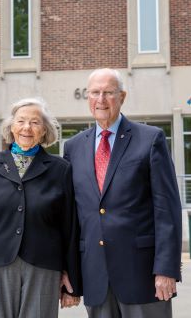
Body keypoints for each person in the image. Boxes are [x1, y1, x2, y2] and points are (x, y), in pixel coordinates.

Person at [63, 68, 182, 318]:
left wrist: (166, 269)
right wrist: (69, 271)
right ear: (87, 97)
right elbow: (72, 216)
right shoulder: (73, 147)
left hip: (142, 274)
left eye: (108, 92)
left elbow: (166, 209)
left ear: (122, 97)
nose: (101, 100)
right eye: (95, 92)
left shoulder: (150, 139)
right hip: (94, 274)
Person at [0, 97, 82, 317]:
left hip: (43, 266)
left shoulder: (61, 170)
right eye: (21, 121)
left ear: (45, 130)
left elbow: (70, 228)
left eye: (35, 122)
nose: (27, 128)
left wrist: (73, 280)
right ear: (11, 126)